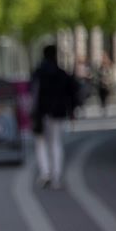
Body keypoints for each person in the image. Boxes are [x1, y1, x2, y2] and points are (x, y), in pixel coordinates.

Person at [31, 45, 79, 189]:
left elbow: (33, 93)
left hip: (42, 112)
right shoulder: (61, 73)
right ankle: (56, 176)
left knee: (41, 143)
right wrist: (72, 111)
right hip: (58, 113)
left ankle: (45, 172)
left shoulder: (38, 73)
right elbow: (72, 93)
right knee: (56, 143)